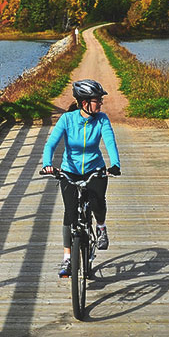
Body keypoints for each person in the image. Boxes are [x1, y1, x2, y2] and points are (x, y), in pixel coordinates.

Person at [42, 79, 121, 277]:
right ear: (85, 103)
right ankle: (68, 258)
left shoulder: (102, 119)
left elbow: (110, 141)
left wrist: (115, 164)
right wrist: (47, 164)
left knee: (97, 203)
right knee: (69, 214)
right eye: (97, 100)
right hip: (70, 170)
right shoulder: (67, 120)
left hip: (95, 169)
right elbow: (51, 143)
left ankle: (101, 227)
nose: (101, 104)